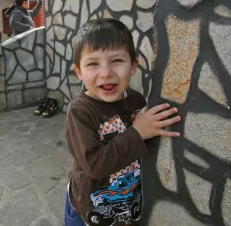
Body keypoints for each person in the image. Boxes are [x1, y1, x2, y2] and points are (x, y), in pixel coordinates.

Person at [65, 18, 181, 226]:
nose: (106, 73)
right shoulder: (80, 111)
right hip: (88, 212)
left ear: (133, 65)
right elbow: (94, 165)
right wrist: (138, 132)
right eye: (93, 63)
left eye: (117, 61)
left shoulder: (136, 100)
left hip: (126, 207)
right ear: (79, 72)